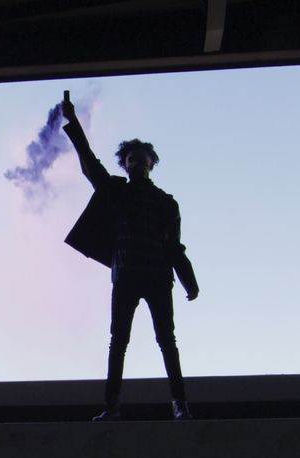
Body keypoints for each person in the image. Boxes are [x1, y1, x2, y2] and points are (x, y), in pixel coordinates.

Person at [60, 95, 199, 421]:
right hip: (126, 276)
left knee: (166, 341)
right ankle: (112, 407)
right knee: (119, 341)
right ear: (126, 164)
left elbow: (175, 247)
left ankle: (179, 404)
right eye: (131, 157)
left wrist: (188, 280)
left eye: (143, 157)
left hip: (155, 277)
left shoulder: (166, 203)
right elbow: (88, 160)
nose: (138, 160)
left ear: (152, 162)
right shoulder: (116, 191)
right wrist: (73, 122)